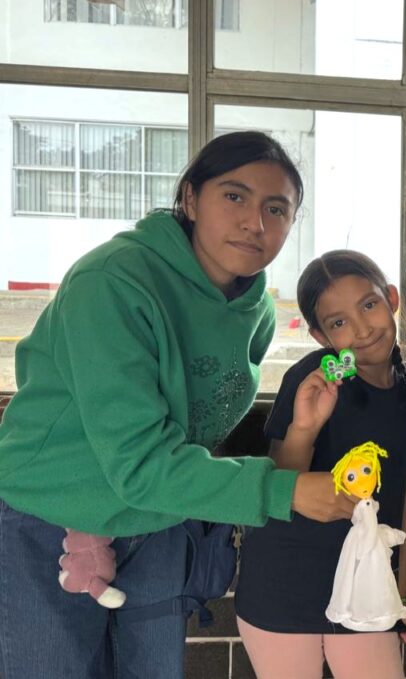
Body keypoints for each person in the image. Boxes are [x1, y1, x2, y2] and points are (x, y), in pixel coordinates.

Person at [0, 131, 353, 679]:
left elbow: (196, 433)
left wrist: (300, 435)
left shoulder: (255, 309)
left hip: (159, 520)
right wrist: (283, 491)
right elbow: (140, 462)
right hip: (53, 518)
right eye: (234, 196)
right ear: (190, 198)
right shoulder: (113, 282)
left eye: (276, 209)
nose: (255, 223)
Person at [235, 250, 406, 679]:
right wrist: (305, 427)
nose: (362, 328)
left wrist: (399, 598)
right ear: (320, 336)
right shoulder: (314, 378)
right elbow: (282, 487)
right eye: (339, 323)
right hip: (283, 587)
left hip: (364, 593)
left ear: (392, 298)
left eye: (369, 305)